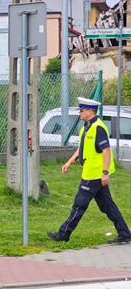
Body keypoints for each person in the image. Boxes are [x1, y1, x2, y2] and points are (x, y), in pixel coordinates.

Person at [47, 97, 131, 244]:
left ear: (90, 111)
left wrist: (105, 173)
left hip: (95, 174)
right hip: (91, 173)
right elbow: (82, 149)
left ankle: (63, 234)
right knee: (108, 206)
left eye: (82, 110)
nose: (80, 112)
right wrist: (69, 162)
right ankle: (125, 234)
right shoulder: (86, 128)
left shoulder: (98, 127)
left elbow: (106, 150)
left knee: (79, 205)